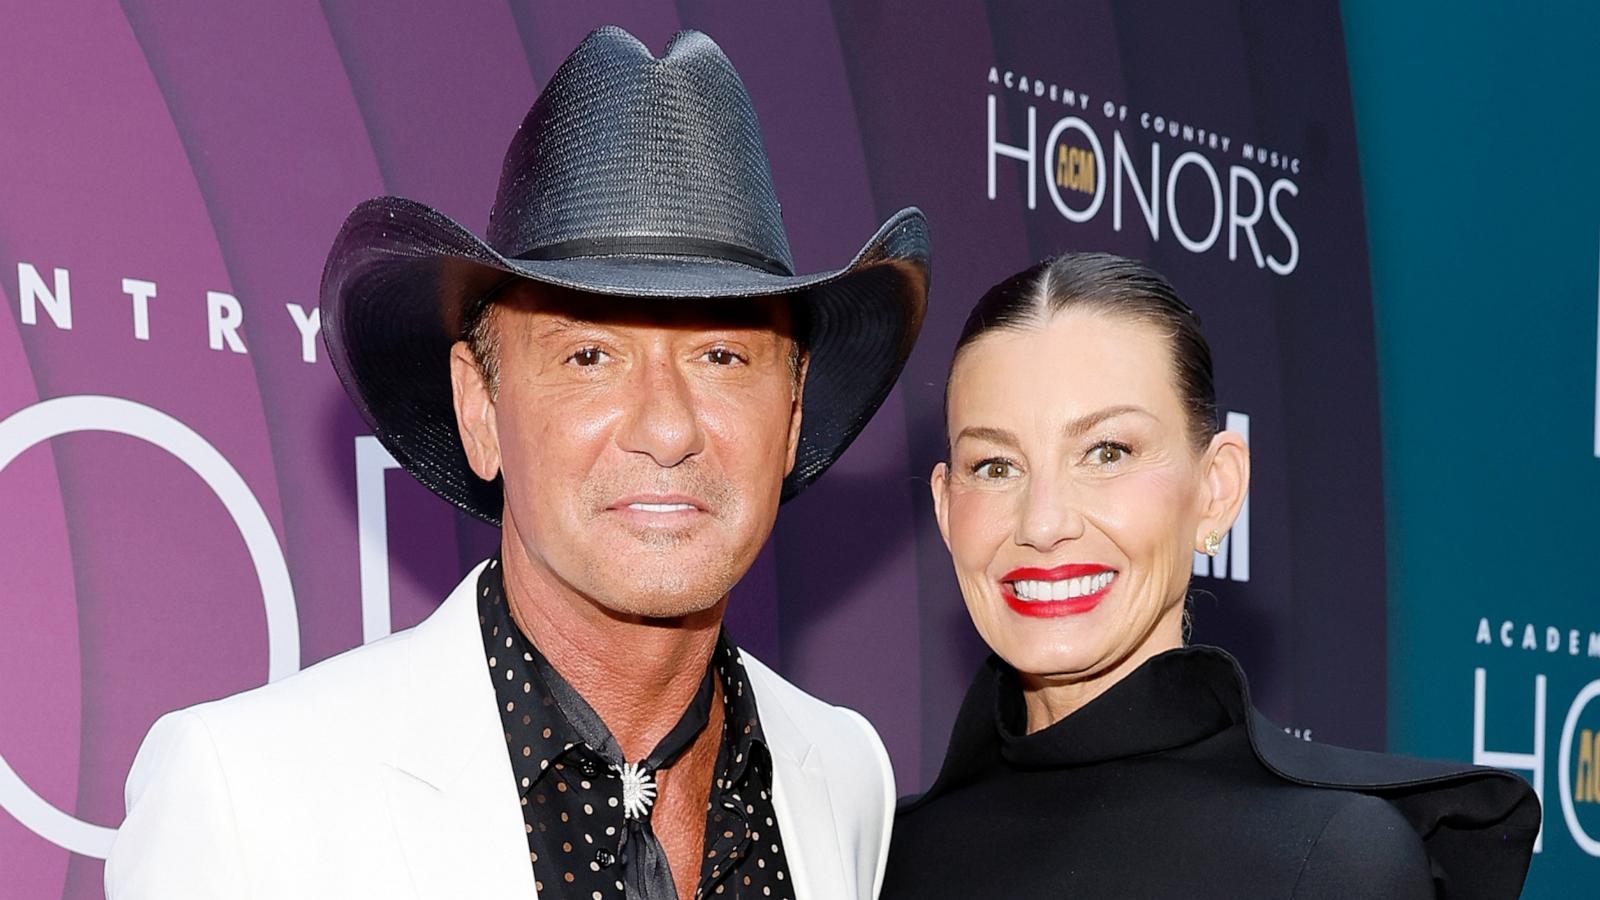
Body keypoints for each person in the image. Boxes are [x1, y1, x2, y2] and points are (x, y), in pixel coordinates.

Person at [107, 26, 929, 900]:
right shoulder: (249, 802)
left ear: (793, 411)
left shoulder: (845, 779)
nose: (667, 428)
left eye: (722, 357)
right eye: (589, 358)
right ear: (480, 409)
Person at [881, 252, 1538, 900]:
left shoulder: (1331, 858)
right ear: (945, 508)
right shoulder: (873, 859)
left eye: (1107, 452)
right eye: (996, 466)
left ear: (1217, 491)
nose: (1043, 522)